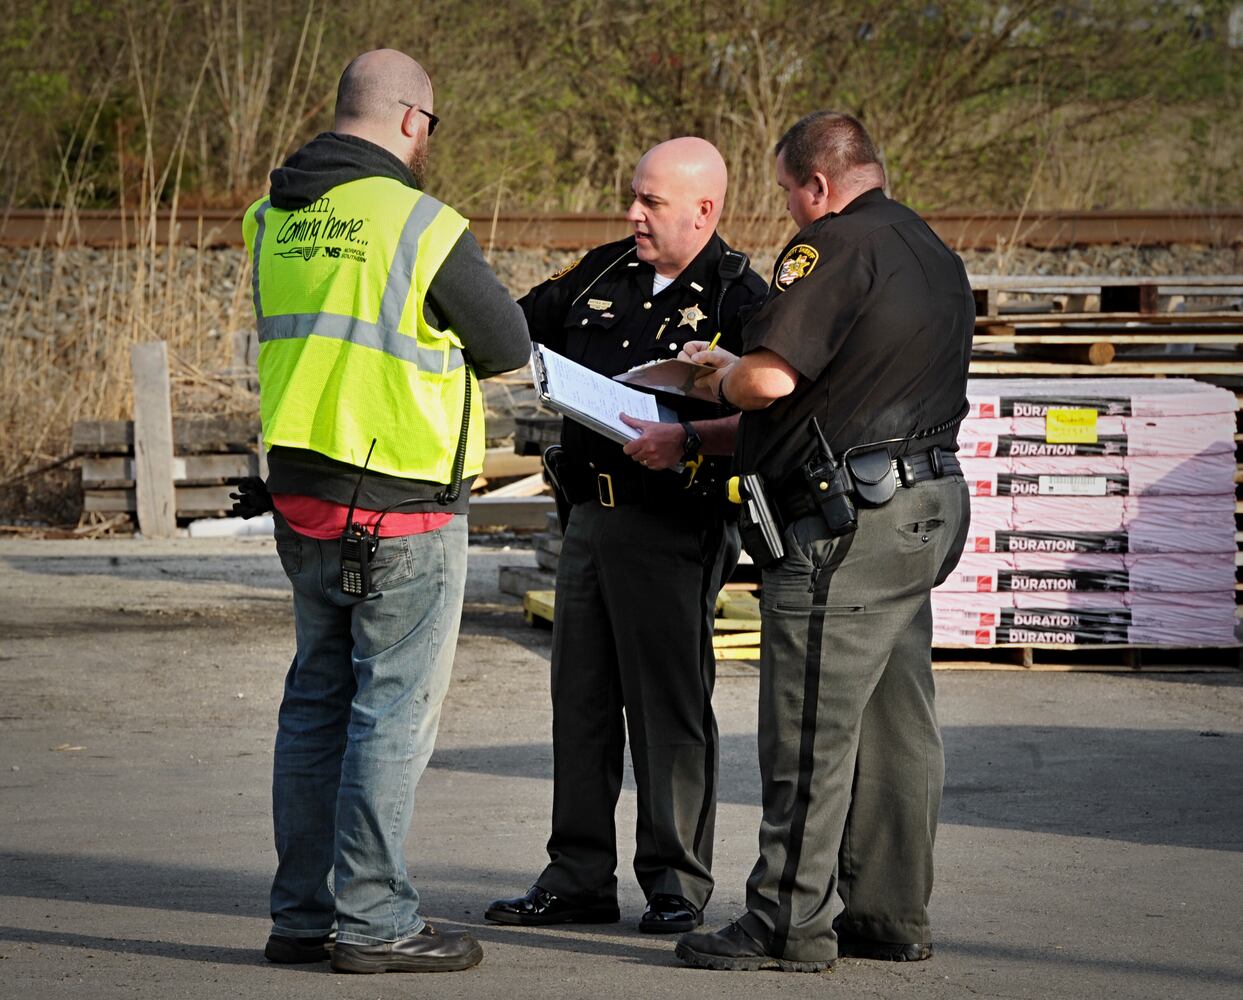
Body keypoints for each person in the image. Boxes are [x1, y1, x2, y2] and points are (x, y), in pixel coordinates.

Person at [241, 49, 530, 974]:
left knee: (315, 705)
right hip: (399, 502)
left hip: (302, 497)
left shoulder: (270, 214)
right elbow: (505, 344)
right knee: (390, 717)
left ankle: (301, 915)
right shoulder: (420, 221)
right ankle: (374, 923)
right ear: (413, 120)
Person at [674, 111, 973, 972]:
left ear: (816, 184)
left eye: (787, 193)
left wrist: (711, 371)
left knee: (807, 723)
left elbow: (769, 377)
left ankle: (784, 922)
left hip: (846, 524)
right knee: (892, 721)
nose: (790, 211)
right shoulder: (931, 252)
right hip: (919, 508)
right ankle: (888, 913)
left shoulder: (834, 248)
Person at [485, 138, 767, 935]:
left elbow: (773, 411)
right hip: (586, 518)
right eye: (632, 197)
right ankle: (575, 875)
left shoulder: (739, 296)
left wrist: (697, 425)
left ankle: (675, 882)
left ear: (702, 210)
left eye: (650, 202)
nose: (632, 214)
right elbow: (510, 327)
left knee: (667, 708)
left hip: (673, 521)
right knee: (577, 703)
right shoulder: (600, 272)